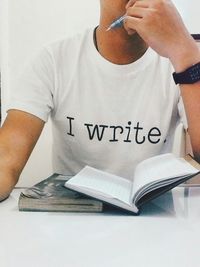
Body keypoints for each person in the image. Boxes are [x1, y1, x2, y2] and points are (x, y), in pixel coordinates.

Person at [0, 0, 200, 202]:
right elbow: (6, 158)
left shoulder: (179, 63)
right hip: (76, 217)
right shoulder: (54, 59)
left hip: (153, 217)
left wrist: (185, 51)